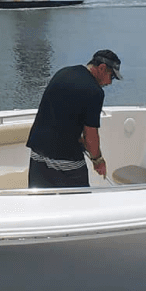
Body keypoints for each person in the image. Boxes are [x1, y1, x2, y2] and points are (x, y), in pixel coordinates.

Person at [26, 49, 122, 188]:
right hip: (65, 157)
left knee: (42, 198)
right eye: (111, 76)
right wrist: (98, 160)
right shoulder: (95, 91)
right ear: (101, 68)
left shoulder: (64, 72)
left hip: (38, 150)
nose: (109, 82)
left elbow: (60, 115)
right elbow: (90, 135)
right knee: (79, 199)